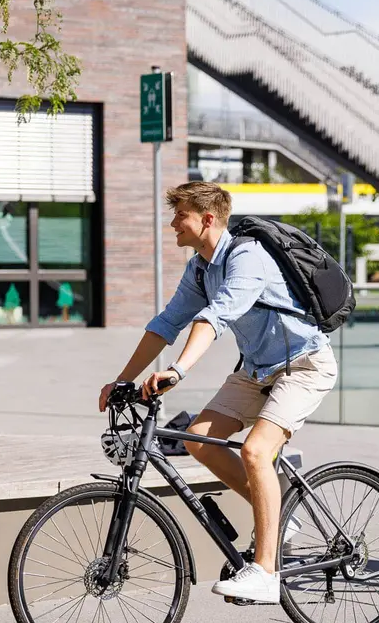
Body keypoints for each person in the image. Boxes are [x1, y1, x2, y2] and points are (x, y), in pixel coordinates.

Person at [98, 181, 337, 604]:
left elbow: (217, 316)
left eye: (180, 215)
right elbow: (167, 323)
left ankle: (265, 572)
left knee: (255, 452)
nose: (173, 222)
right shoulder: (200, 268)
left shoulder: (247, 256)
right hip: (257, 370)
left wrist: (177, 371)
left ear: (207, 219)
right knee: (199, 439)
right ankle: (279, 514)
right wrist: (123, 380)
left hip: (303, 365)